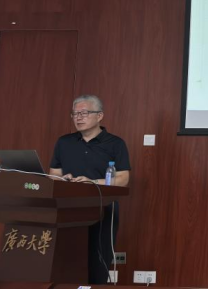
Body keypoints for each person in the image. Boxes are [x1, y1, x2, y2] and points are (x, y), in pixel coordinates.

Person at [49, 95, 130, 284]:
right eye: (75, 114)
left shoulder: (115, 143)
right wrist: (63, 179)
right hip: (68, 210)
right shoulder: (64, 142)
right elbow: (53, 174)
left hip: (102, 209)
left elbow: (123, 179)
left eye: (84, 113)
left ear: (99, 115)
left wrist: (92, 182)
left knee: (98, 260)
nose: (78, 117)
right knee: (67, 260)